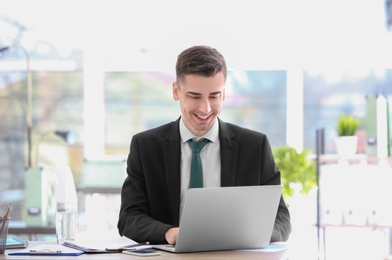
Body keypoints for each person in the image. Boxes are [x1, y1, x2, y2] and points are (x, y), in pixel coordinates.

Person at [117, 45, 291, 245]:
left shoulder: (254, 146)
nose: (205, 108)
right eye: (195, 96)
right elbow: (129, 217)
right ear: (176, 91)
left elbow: (282, 221)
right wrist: (168, 233)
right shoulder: (145, 146)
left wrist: (244, 234)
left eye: (215, 96)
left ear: (224, 94)